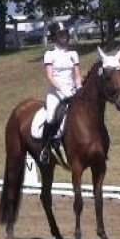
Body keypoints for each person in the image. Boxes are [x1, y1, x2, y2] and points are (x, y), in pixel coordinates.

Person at [39, 21, 82, 164]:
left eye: (65, 34)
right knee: (51, 117)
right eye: (61, 34)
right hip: (55, 93)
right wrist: (61, 90)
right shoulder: (49, 54)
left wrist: (79, 87)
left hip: (72, 92)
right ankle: (44, 148)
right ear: (55, 36)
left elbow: (76, 75)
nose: (64, 36)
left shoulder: (73, 54)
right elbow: (49, 77)